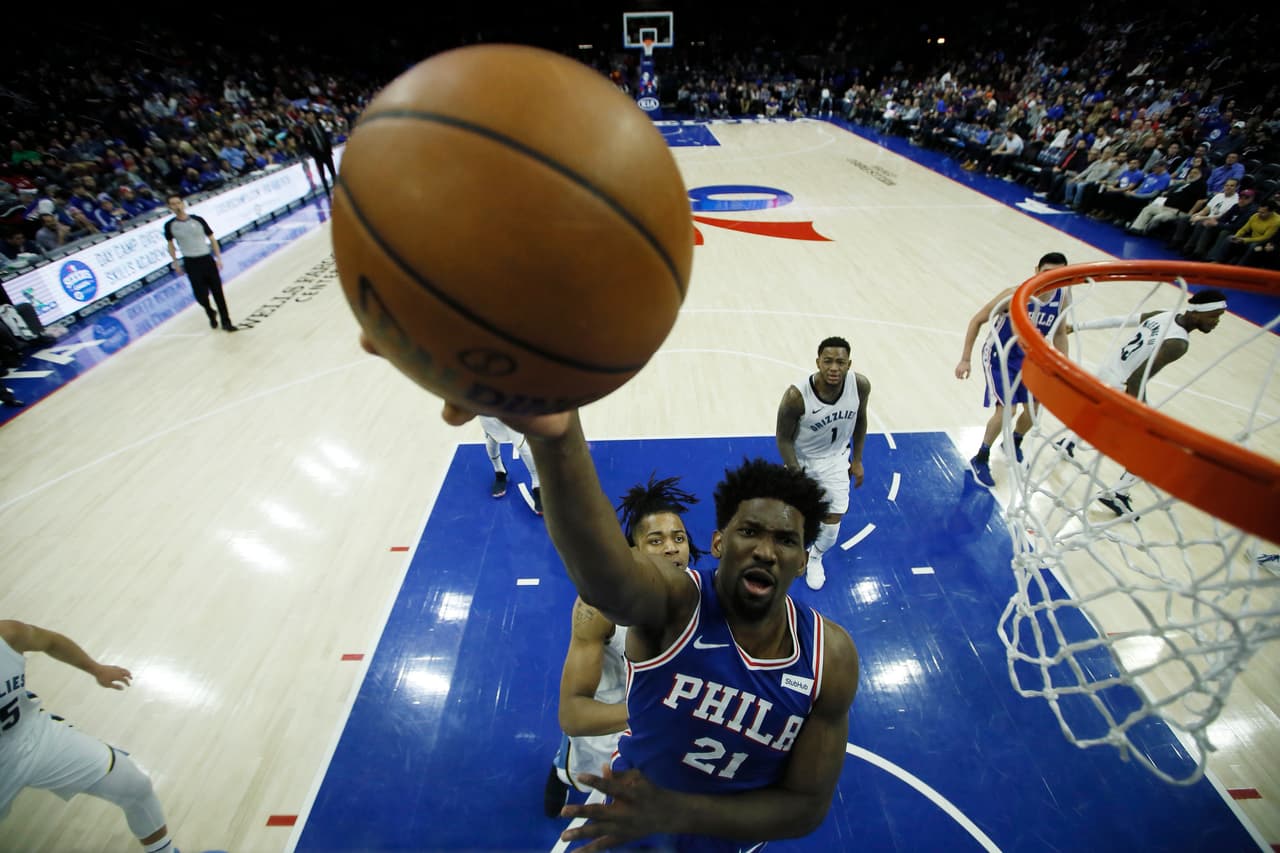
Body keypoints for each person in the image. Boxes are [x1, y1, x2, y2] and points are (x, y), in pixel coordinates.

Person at [362, 329, 862, 850]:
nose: (765, 550)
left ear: (804, 560)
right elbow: (603, 572)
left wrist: (677, 812)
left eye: (785, 540)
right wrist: (554, 432)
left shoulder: (832, 657)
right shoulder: (676, 602)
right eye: (750, 532)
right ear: (717, 543)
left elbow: (806, 807)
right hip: (626, 832)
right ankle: (563, 770)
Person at [543, 475, 704, 818]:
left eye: (679, 538)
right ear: (634, 552)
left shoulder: (703, 596)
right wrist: (655, 710)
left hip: (660, 732)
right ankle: (560, 773)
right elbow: (572, 716)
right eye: (656, 540)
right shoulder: (599, 607)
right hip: (608, 719)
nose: (672, 547)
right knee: (581, 770)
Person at [0, 619, 177, 851]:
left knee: (135, 786)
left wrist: (97, 669)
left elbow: (51, 642)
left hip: (32, 733)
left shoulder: (8, 634)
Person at [1067, 289, 1228, 516]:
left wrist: (1077, 326)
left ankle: (1068, 443)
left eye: (1219, 317)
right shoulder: (1178, 343)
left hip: (1106, 372)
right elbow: (1137, 379)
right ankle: (1117, 494)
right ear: (1195, 313)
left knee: (1099, 413)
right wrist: (1144, 415)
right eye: (1213, 316)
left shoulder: (1164, 314)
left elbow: (1120, 320)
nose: (1216, 322)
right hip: (1121, 385)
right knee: (1154, 445)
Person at [955, 252, 1071, 488]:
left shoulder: (1062, 299)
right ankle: (981, 457)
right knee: (1008, 409)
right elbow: (977, 320)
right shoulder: (1014, 295)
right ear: (1036, 270)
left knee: (1035, 409)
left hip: (1032, 358)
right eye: (1048, 272)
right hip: (1000, 356)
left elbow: (1059, 333)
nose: (1053, 278)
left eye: (1059, 274)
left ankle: (1013, 442)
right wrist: (965, 359)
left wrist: (1064, 365)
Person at [775, 336, 871, 590]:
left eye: (840, 362)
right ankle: (791, 549)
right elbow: (783, 439)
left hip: (837, 460)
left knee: (834, 516)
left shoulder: (859, 385)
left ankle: (815, 556)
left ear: (849, 364)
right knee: (793, 516)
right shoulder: (796, 396)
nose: (834, 367)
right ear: (817, 361)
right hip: (801, 461)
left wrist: (858, 460)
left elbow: (861, 420)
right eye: (828, 361)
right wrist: (796, 474)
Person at [163, 195, 236, 332]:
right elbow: (170, 244)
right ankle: (209, 311)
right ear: (170, 207)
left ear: (183, 204)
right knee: (200, 295)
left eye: (178, 203)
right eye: (173, 204)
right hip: (191, 262)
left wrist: (218, 258)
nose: (177, 206)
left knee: (218, 292)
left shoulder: (198, 220)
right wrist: (175, 262)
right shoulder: (170, 225)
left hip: (206, 259)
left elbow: (212, 238)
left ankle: (226, 321)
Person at [479, 415, 541, 514]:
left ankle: (537, 483)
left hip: (511, 410)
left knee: (522, 446)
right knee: (492, 440)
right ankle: (500, 471)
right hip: (487, 410)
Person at [300, 112, 337, 198]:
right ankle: (328, 193)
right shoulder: (306, 130)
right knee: (322, 175)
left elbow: (325, 137)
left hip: (326, 153)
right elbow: (305, 144)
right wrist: (313, 153)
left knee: (333, 172)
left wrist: (329, 149)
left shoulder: (320, 125)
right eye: (309, 118)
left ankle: (337, 189)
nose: (311, 119)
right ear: (307, 119)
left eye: (312, 117)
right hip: (318, 156)